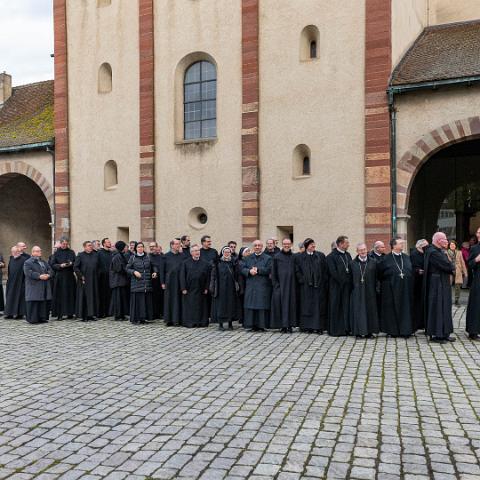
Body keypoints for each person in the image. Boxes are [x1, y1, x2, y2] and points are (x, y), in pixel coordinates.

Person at [377, 237, 414, 338]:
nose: (402, 245)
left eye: (403, 243)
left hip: (405, 289)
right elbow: (379, 273)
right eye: (400, 243)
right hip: (391, 289)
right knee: (391, 310)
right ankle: (392, 331)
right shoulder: (385, 259)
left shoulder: (406, 257)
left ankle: (406, 330)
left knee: (405, 309)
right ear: (394, 246)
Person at [423, 232, 456, 344]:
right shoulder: (433, 252)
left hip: (442, 281)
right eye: (445, 239)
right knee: (437, 308)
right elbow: (448, 266)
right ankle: (437, 335)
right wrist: (450, 265)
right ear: (438, 241)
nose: (447, 241)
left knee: (445, 307)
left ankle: (444, 333)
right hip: (437, 284)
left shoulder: (438, 251)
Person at [294, 238, 328, 333]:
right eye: (311, 244)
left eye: (314, 244)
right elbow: (297, 270)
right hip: (305, 287)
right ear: (306, 246)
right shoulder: (300, 257)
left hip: (318, 286)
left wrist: (323, 281)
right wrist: (302, 280)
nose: (313, 246)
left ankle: (318, 327)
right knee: (306, 306)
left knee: (318, 307)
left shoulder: (320, 256)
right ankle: (307, 327)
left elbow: (325, 269)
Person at [241, 240, 272, 331]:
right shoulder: (247, 258)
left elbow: (269, 269)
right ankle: (252, 325)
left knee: (261, 306)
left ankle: (261, 326)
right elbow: (242, 268)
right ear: (253, 247)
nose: (257, 247)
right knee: (251, 305)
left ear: (262, 247)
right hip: (251, 285)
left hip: (262, 285)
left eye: (259, 245)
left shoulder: (268, 258)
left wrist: (258, 270)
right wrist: (249, 271)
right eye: (255, 245)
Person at [350, 243, 379, 338]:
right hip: (357, 292)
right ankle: (358, 332)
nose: (363, 251)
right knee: (358, 311)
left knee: (370, 311)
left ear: (367, 250)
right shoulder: (352, 263)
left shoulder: (373, 262)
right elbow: (350, 279)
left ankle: (369, 332)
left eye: (364, 249)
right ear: (357, 251)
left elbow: (377, 277)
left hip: (370, 291)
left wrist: (376, 289)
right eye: (360, 250)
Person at [326, 236, 353, 336]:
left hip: (347, 287)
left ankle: (346, 328)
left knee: (346, 307)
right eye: (347, 243)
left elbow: (350, 268)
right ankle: (335, 330)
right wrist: (343, 281)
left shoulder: (348, 255)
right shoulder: (331, 256)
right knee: (336, 307)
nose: (348, 245)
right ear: (340, 244)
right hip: (336, 287)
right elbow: (333, 272)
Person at [210, 246, 241, 330]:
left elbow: (237, 275)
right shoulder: (217, 262)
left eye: (228, 252)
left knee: (230, 306)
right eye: (225, 252)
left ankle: (230, 324)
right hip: (220, 288)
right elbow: (213, 275)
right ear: (222, 253)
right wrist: (212, 286)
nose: (227, 254)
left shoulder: (234, 262)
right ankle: (220, 324)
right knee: (221, 306)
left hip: (231, 288)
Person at [270, 238, 297, 333]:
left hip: (292, 286)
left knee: (291, 306)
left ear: (291, 245)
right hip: (280, 286)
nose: (287, 245)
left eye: (288, 244)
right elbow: (273, 272)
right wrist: (276, 285)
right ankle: (283, 326)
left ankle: (290, 325)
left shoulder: (294, 257)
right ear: (282, 244)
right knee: (281, 306)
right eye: (285, 244)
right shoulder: (277, 257)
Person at [180, 244, 210, 328]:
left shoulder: (205, 263)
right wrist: (183, 288)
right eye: (195, 251)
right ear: (191, 253)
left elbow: (208, 276)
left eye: (198, 250)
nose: (197, 252)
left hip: (201, 288)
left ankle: (201, 322)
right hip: (189, 289)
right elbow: (182, 276)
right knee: (190, 306)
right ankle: (190, 322)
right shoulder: (185, 263)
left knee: (201, 306)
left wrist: (206, 288)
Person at [126, 242, 156, 325]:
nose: (140, 248)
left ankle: (144, 318)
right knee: (138, 301)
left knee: (145, 301)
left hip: (146, 283)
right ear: (136, 248)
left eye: (142, 247)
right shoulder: (132, 258)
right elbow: (127, 269)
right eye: (138, 247)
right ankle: (136, 319)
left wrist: (155, 272)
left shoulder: (148, 257)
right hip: (137, 283)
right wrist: (134, 271)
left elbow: (154, 266)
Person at [23, 246, 53, 325]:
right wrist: (39, 276)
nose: (40, 252)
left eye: (40, 251)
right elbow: (28, 272)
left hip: (44, 285)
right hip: (34, 285)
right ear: (33, 252)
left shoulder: (43, 261)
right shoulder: (28, 262)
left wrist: (48, 275)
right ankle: (33, 319)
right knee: (34, 302)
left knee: (43, 302)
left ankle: (42, 318)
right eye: (38, 251)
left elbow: (50, 269)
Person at [50, 238, 76, 320]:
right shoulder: (56, 253)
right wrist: (60, 266)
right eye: (63, 244)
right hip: (60, 276)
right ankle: (59, 314)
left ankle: (70, 313)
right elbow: (52, 264)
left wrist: (72, 264)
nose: (65, 245)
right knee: (60, 296)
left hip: (69, 276)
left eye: (66, 244)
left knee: (70, 294)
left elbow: (76, 262)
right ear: (61, 244)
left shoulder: (71, 252)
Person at [161, 238, 184, 326]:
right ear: (172, 245)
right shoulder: (165, 256)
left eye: (179, 244)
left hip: (179, 281)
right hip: (169, 281)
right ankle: (169, 320)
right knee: (169, 300)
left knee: (178, 300)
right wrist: (162, 282)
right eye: (177, 244)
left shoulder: (183, 256)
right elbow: (162, 270)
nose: (179, 246)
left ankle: (178, 319)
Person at [74, 241, 99, 321]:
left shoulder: (95, 255)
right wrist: (81, 276)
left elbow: (98, 266)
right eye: (88, 246)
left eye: (91, 245)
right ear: (84, 247)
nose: (90, 247)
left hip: (93, 279)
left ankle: (91, 315)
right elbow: (75, 267)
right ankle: (84, 316)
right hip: (84, 279)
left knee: (93, 297)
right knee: (84, 297)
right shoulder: (80, 255)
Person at [4, 245, 29, 319]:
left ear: (19, 252)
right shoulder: (11, 259)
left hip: (20, 282)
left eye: (16, 252)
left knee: (19, 298)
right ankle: (9, 313)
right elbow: (9, 270)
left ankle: (19, 314)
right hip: (11, 282)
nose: (14, 253)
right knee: (10, 297)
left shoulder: (24, 259)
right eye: (13, 252)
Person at [410, 239, 428, 331]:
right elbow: (412, 267)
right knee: (417, 304)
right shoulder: (414, 254)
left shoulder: (424, 253)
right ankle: (417, 323)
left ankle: (422, 322)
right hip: (416, 282)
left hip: (423, 281)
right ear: (420, 246)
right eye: (426, 246)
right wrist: (418, 271)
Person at [466, 227, 480, 340]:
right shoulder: (474, 248)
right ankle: (473, 331)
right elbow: (469, 264)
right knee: (476, 305)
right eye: (479, 232)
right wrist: (476, 260)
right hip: (478, 280)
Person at [110, 241, 130, 320]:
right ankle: (118, 315)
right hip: (118, 281)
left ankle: (121, 315)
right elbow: (119, 268)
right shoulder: (117, 256)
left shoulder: (119, 255)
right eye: (125, 246)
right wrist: (127, 270)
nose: (126, 248)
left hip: (120, 281)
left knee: (121, 299)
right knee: (118, 299)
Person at [446, 240, 467, 306]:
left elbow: (462, 262)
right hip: (449, 271)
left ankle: (456, 300)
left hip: (458, 270)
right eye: (451, 245)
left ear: (456, 245)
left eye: (454, 244)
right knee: (448, 286)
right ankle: (448, 300)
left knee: (458, 286)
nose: (452, 246)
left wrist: (465, 272)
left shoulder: (459, 252)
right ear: (449, 246)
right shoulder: (446, 253)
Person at [97, 238, 113, 318]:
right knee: (102, 295)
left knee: (109, 294)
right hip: (102, 277)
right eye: (108, 242)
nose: (110, 243)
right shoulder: (99, 253)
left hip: (110, 277)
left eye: (110, 242)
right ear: (103, 244)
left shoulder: (111, 253)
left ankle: (108, 312)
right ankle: (101, 312)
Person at [148, 241, 164, 319]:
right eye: (150, 246)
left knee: (159, 297)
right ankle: (153, 314)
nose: (152, 248)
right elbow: (153, 265)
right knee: (152, 298)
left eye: (153, 246)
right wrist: (155, 271)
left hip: (159, 280)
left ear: (157, 247)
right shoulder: (147, 256)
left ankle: (159, 313)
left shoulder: (161, 257)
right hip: (150, 280)